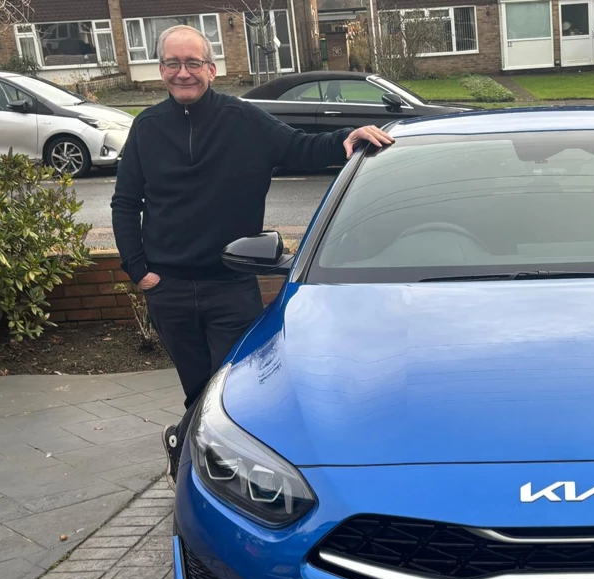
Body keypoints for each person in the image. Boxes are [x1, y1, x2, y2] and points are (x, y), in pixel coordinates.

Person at [111, 25, 394, 491]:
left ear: (211, 69)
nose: (183, 73)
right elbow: (125, 203)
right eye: (172, 64)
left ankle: (196, 463)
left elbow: (301, 147)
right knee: (196, 389)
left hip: (230, 283)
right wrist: (138, 270)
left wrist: (349, 136)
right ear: (160, 70)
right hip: (169, 289)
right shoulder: (147, 127)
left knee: (232, 395)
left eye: (193, 63)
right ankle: (199, 464)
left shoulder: (243, 120)